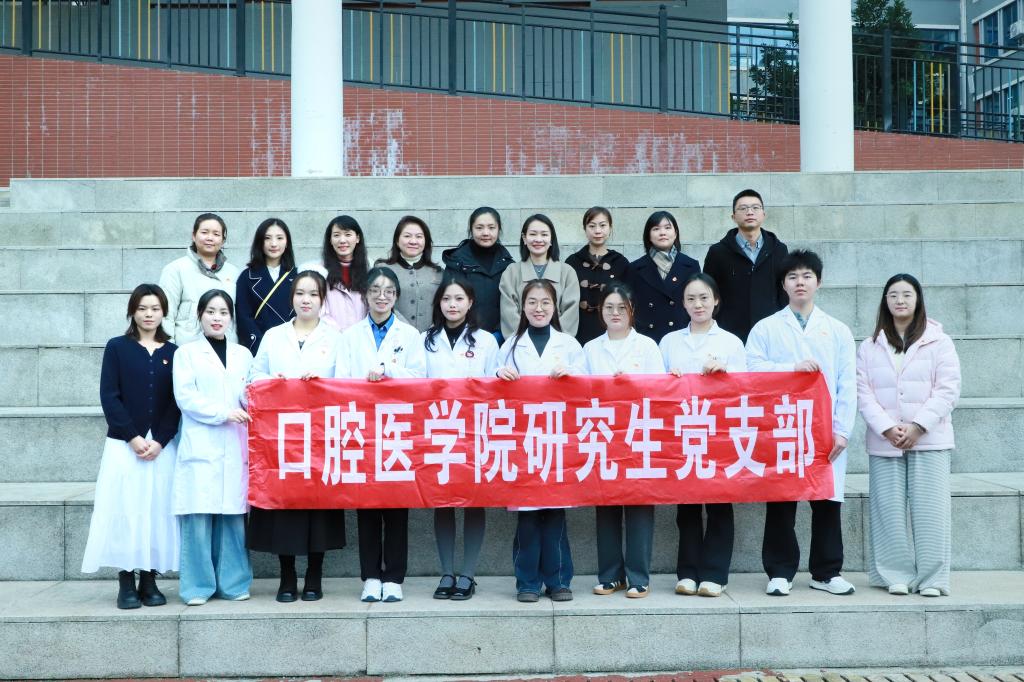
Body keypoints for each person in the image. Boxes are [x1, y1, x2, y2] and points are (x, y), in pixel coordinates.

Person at [745, 250, 857, 597]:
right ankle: (780, 571)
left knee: (827, 501)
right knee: (782, 499)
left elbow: (847, 383)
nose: (800, 283)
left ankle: (826, 571)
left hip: (824, 428)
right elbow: (751, 371)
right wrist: (789, 369)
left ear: (818, 282)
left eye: (807, 276)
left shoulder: (837, 330)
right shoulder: (766, 328)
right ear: (783, 284)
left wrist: (842, 430)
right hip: (782, 426)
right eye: (792, 277)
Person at [857, 274, 961, 597]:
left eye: (906, 294)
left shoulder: (939, 342)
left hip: (929, 439)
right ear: (885, 301)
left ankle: (932, 579)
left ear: (918, 300)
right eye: (893, 295)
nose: (900, 300)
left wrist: (918, 426)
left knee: (931, 510)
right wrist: (887, 427)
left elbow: (948, 389)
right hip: (885, 440)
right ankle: (894, 575)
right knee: (887, 510)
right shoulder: (869, 345)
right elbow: (863, 392)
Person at [247, 271, 346, 603]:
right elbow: (254, 375)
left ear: (323, 300)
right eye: (301, 293)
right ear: (291, 298)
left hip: (320, 435)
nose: (306, 300)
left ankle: (315, 574)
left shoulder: (336, 338)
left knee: (318, 507)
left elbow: (346, 382)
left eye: (314, 294)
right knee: (283, 506)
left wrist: (324, 384)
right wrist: (272, 380)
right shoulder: (274, 335)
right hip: (281, 436)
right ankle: (287, 576)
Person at [82, 283, 182, 609]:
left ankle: (150, 579)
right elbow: (109, 396)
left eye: (155, 308)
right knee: (125, 508)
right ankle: (126, 579)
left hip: (161, 447)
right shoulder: (117, 347)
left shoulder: (174, 352)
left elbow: (177, 402)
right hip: (125, 445)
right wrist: (133, 437)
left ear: (164, 312)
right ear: (132, 312)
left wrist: (161, 440)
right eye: (142, 308)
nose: (148, 314)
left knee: (156, 509)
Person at [334, 266, 426, 603]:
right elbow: (341, 379)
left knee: (397, 505)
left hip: (396, 427)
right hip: (361, 427)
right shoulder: (350, 335)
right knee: (367, 505)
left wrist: (389, 371)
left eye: (388, 291)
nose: (382, 296)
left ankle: (394, 577)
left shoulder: (410, 335)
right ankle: (371, 576)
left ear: (396, 296)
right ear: (366, 295)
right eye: (375, 290)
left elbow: (420, 378)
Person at [495, 280, 585, 602]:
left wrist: (571, 376)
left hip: (558, 439)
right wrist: (500, 376)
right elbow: (492, 388)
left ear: (555, 307)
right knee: (529, 515)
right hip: (523, 440)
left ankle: (559, 581)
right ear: (522, 307)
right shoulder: (509, 346)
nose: (538, 308)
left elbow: (588, 388)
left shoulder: (569, 345)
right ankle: (527, 583)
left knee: (555, 512)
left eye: (545, 302)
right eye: (532, 302)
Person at [659, 273, 746, 598]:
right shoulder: (669, 342)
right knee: (687, 507)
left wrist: (725, 373)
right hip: (682, 432)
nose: (698, 304)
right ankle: (688, 572)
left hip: (721, 432)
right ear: (683, 304)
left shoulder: (731, 343)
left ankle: (715, 573)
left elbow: (748, 388)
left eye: (704, 298)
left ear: (716, 300)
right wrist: (670, 378)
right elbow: (655, 386)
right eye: (691, 299)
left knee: (720, 504)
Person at [172, 289, 254, 605]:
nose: (217, 318)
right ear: (200, 315)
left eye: (223, 312)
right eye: (210, 312)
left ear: (231, 318)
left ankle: (234, 583)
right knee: (198, 518)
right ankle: (197, 587)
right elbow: (186, 397)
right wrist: (223, 413)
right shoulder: (186, 354)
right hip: (201, 442)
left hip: (235, 443)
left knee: (233, 518)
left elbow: (249, 393)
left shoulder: (243, 355)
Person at [582, 283, 663, 598]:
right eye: (608, 307)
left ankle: (638, 576)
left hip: (639, 434)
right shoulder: (591, 348)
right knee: (606, 506)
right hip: (603, 435)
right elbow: (580, 392)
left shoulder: (647, 346)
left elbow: (661, 391)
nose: (615, 313)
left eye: (621, 307)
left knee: (640, 506)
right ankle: (610, 575)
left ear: (632, 311)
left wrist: (631, 385)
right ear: (600, 311)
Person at [422, 278, 500, 601]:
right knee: (442, 501)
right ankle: (446, 572)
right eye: (446, 299)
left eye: (459, 299)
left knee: (473, 501)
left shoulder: (486, 341)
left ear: (470, 302)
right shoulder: (425, 340)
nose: (452, 305)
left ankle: (467, 573)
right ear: (438, 303)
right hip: (438, 429)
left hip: (474, 431)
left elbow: (495, 385)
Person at [702, 189, 789, 342]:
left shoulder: (779, 250)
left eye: (755, 207)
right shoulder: (718, 252)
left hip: (771, 333)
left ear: (763, 214)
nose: (750, 212)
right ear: (733, 217)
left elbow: (784, 293)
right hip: (729, 334)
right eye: (743, 208)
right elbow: (709, 292)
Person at [159, 213, 240, 344]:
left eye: (216, 234)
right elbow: (166, 315)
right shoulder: (175, 269)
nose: (210, 238)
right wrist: (168, 349)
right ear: (193, 235)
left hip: (227, 347)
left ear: (223, 240)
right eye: (204, 232)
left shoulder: (234, 272)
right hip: (187, 347)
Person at [499, 213, 580, 339]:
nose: (538, 239)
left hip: (558, 345)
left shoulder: (567, 272)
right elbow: (508, 312)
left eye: (544, 234)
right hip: (521, 343)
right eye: (533, 234)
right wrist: (526, 339)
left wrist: (554, 340)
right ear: (524, 238)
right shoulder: (511, 272)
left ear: (551, 238)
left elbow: (570, 313)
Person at [441, 207, 515, 342]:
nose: (485, 233)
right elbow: (450, 299)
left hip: (501, 337)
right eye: (479, 228)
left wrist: (501, 333)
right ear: (471, 229)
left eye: (491, 227)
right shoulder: (457, 261)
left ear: (499, 230)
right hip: (466, 336)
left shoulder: (508, 263)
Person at [626, 211, 700, 343]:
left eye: (667, 228)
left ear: (675, 233)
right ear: (648, 236)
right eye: (656, 229)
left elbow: (696, 302)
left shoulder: (691, 266)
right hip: (647, 339)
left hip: (682, 338)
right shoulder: (635, 268)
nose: (662, 233)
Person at [566, 206, 629, 345]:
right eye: (592, 226)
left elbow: (627, 302)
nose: (597, 231)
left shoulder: (620, 262)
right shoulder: (572, 262)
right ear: (585, 229)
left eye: (602, 225)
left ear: (610, 228)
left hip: (611, 330)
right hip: (578, 330)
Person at [235, 218, 298, 354]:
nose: (274, 244)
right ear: (259, 242)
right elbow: (244, 317)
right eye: (267, 238)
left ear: (287, 242)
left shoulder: (298, 276)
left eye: (279, 238)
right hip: (259, 348)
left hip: (292, 347)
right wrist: (260, 346)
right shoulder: (246, 277)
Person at [374, 215, 444, 332]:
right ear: (397, 240)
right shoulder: (382, 269)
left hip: (431, 336)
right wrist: (408, 332)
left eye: (419, 236)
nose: (413, 241)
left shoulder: (438, 272)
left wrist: (433, 330)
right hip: (393, 334)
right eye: (407, 236)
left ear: (426, 241)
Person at [302, 215, 369, 332]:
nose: (342, 240)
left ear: (358, 238)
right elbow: (319, 310)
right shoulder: (319, 272)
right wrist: (340, 333)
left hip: (363, 337)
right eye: (336, 235)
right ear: (330, 240)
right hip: (330, 337)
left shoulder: (369, 270)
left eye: (348, 234)